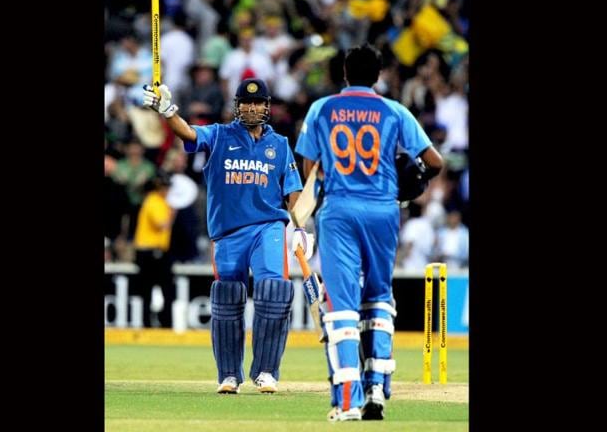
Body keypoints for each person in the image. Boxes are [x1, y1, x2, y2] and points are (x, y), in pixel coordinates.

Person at [294, 44, 443, 421]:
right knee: (378, 296)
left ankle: (347, 401)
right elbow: (434, 162)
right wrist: (409, 185)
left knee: (341, 305)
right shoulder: (395, 111)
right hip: (383, 210)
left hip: (339, 211)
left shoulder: (322, 109)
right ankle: (378, 386)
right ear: (379, 76)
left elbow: (311, 170)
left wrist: (303, 214)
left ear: (344, 72)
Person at [143, 78, 304, 394]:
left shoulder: (280, 144)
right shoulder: (219, 135)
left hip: (268, 227)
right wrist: (167, 111)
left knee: (274, 290)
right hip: (228, 233)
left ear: (267, 106)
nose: (252, 107)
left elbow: (293, 189)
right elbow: (188, 133)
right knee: (227, 299)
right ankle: (230, 374)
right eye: (246, 102)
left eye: (258, 103)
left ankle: (267, 371)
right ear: (237, 105)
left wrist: (299, 227)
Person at [132, 171, 174, 328]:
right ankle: (152, 324)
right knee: (152, 290)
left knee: (162, 290)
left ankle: (160, 323)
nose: (168, 190)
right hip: (150, 252)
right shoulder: (154, 201)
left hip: (158, 252)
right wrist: (172, 214)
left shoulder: (160, 201)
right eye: (166, 187)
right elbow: (161, 224)